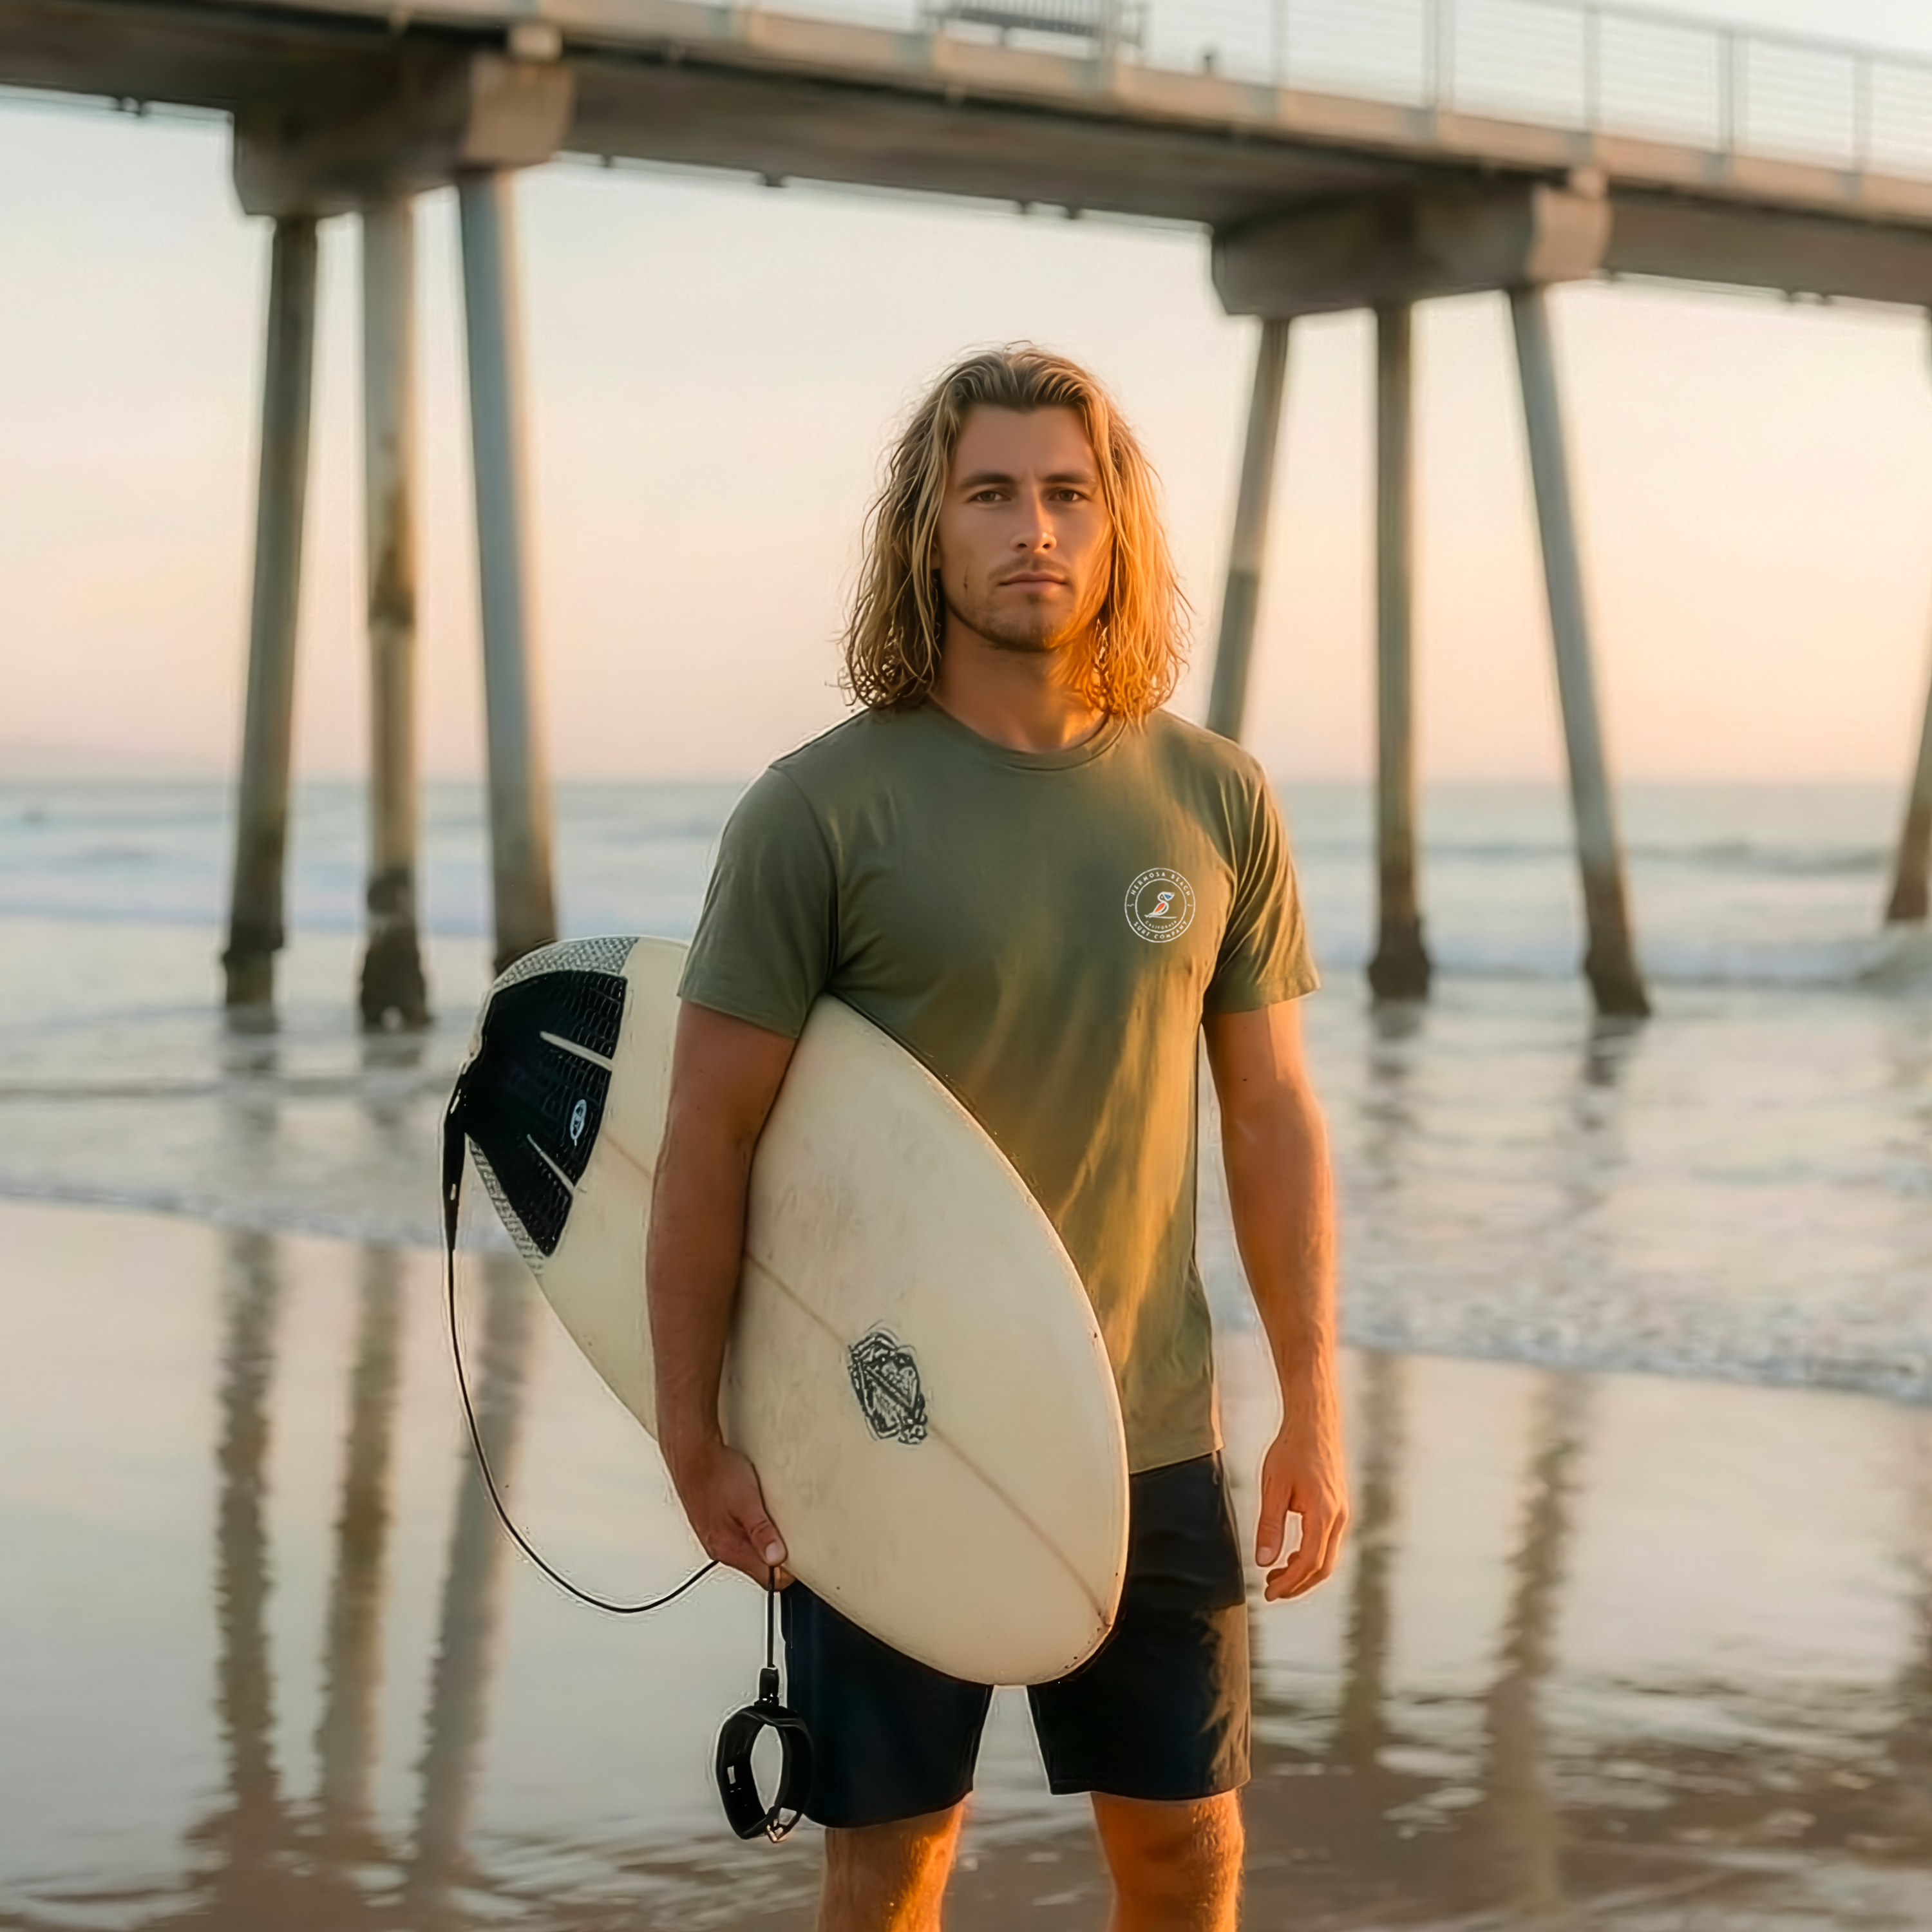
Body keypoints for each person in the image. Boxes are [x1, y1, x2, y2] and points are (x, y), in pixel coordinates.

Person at [645, 345, 1346, 1931]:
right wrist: (695, 1433)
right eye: (992, 494)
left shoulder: (1214, 797)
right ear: (930, 530)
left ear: (1115, 530)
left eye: (1067, 493)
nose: (1034, 527)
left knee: (1190, 1851)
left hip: (1152, 1436)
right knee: (896, 1862)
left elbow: (1275, 1115)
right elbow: (706, 1137)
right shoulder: (818, 813)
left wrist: (1312, 1401)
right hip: (892, 1428)